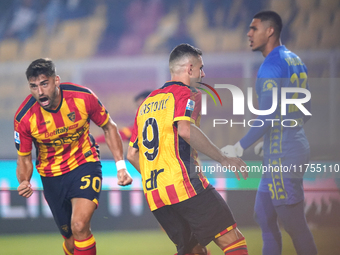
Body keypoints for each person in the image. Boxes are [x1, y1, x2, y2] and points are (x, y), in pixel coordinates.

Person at [127, 43, 249, 255]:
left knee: (194, 251)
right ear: (190, 68)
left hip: (155, 194)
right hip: (185, 185)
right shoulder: (187, 93)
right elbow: (185, 130)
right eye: (201, 68)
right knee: (233, 242)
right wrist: (223, 158)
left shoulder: (146, 103)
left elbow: (132, 154)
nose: (204, 73)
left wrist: (157, 178)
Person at [221, 11, 317, 255]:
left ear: (270, 31)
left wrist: (240, 146)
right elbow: (305, 110)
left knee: (294, 224)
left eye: (254, 28)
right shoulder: (295, 60)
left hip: (283, 153)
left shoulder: (271, 66)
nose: (248, 33)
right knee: (263, 214)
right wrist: (276, 136)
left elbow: (267, 116)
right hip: (286, 147)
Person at [14, 58, 132, 255]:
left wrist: (121, 166)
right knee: (71, 242)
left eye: (44, 84)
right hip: (52, 176)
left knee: (79, 225)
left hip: (84, 163)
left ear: (56, 80)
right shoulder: (25, 117)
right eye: (33, 86)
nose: (40, 92)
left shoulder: (82, 97)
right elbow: (24, 157)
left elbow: (108, 126)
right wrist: (24, 181)